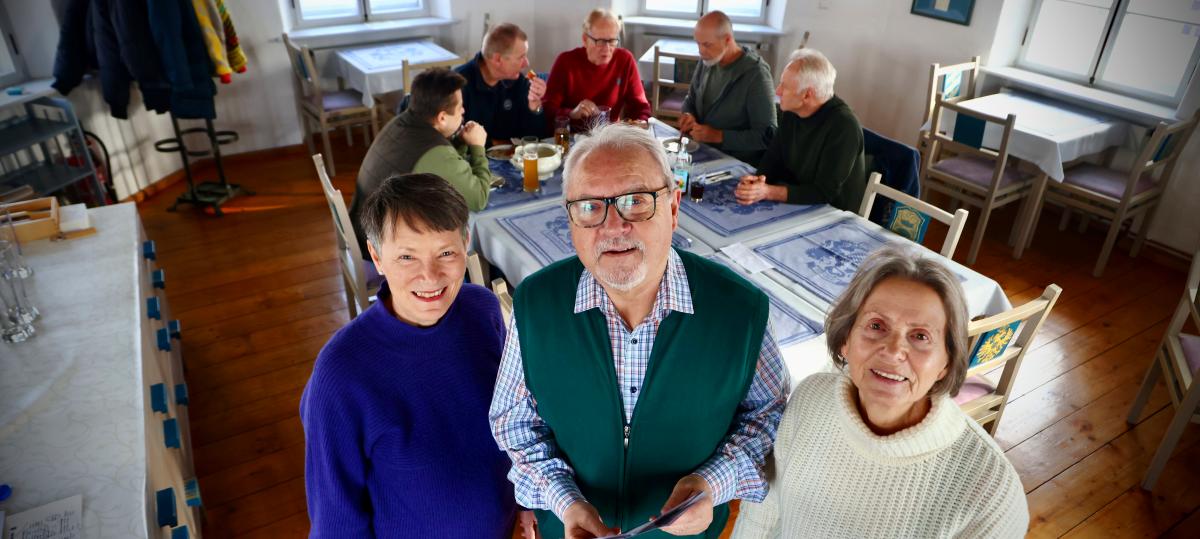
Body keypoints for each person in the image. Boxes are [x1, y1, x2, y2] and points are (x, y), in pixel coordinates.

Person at [489, 123, 789, 539]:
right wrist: (566, 501)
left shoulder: (741, 310)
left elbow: (768, 417)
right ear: (571, 219)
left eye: (635, 201)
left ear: (673, 206)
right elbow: (515, 426)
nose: (613, 227)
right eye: (591, 207)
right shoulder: (536, 304)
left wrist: (712, 483)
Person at [731, 245, 1029, 539]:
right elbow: (765, 508)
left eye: (920, 336)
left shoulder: (992, 490)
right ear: (845, 339)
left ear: (946, 364)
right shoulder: (809, 397)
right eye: (876, 325)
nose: (894, 350)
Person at [301, 173, 517, 538]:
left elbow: (512, 421)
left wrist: (525, 504)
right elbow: (336, 521)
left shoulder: (483, 311)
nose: (430, 276)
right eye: (406, 257)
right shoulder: (340, 374)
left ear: (466, 244)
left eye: (446, 252)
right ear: (376, 256)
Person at [348, 68, 491, 258]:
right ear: (441, 118)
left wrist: (461, 142)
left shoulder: (400, 122)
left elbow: (442, 164)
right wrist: (478, 147)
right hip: (383, 246)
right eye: (460, 108)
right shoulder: (435, 153)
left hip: (362, 227)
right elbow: (479, 198)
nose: (463, 111)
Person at [735, 48, 866, 212]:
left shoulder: (844, 127)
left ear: (807, 95)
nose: (778, 91)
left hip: (831, 213)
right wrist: (757, 182)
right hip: (797, 202)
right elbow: (772, 160)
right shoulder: (792, 112)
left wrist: (768, 192)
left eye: (785, 86)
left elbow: (825, 192)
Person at [678, 11, 776, 167]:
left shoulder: (756, 75)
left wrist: (718, 136)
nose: (701, 51)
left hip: (737, 163)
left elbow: (766, 136)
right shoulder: (708, 60)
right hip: (702, 152)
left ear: (728, 40)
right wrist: (689, 114)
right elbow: (691, 97)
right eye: (698, 43)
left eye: (707, 44)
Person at [543, 9, 652, 129]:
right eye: (600, 41)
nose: (606, 48)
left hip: (609, 136)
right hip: (572, 135)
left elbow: (640, 105)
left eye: (611, 41)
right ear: (585, 40)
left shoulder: (625, 60)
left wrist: (641, 120)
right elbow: (548, 109)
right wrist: (572, 113)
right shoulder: (565, 62)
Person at [455, 22, 548, 140]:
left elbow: (534, 139)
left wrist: (535, 106)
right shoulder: (457, 85)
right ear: (498, 59)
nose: (526, 63)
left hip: (514, 157)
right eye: (521, 57)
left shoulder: (519, 81)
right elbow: (453, 141)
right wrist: (493, 143)